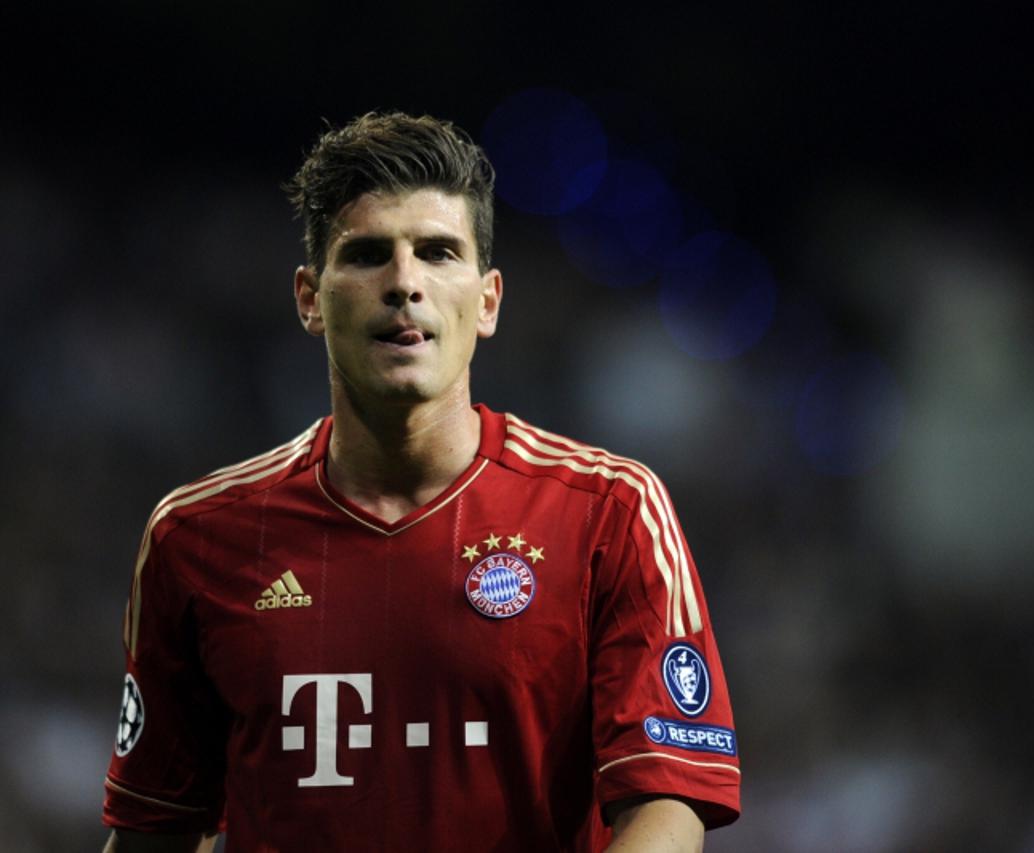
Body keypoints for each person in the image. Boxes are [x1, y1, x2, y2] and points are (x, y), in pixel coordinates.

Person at [101, 111, 740, 852]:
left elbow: (667, 806)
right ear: (310, 297)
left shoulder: (610, 512)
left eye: (437, 253)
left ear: (489, 299)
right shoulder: (197, 535)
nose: (404, 283)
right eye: (369, 254)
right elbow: (156, 828)